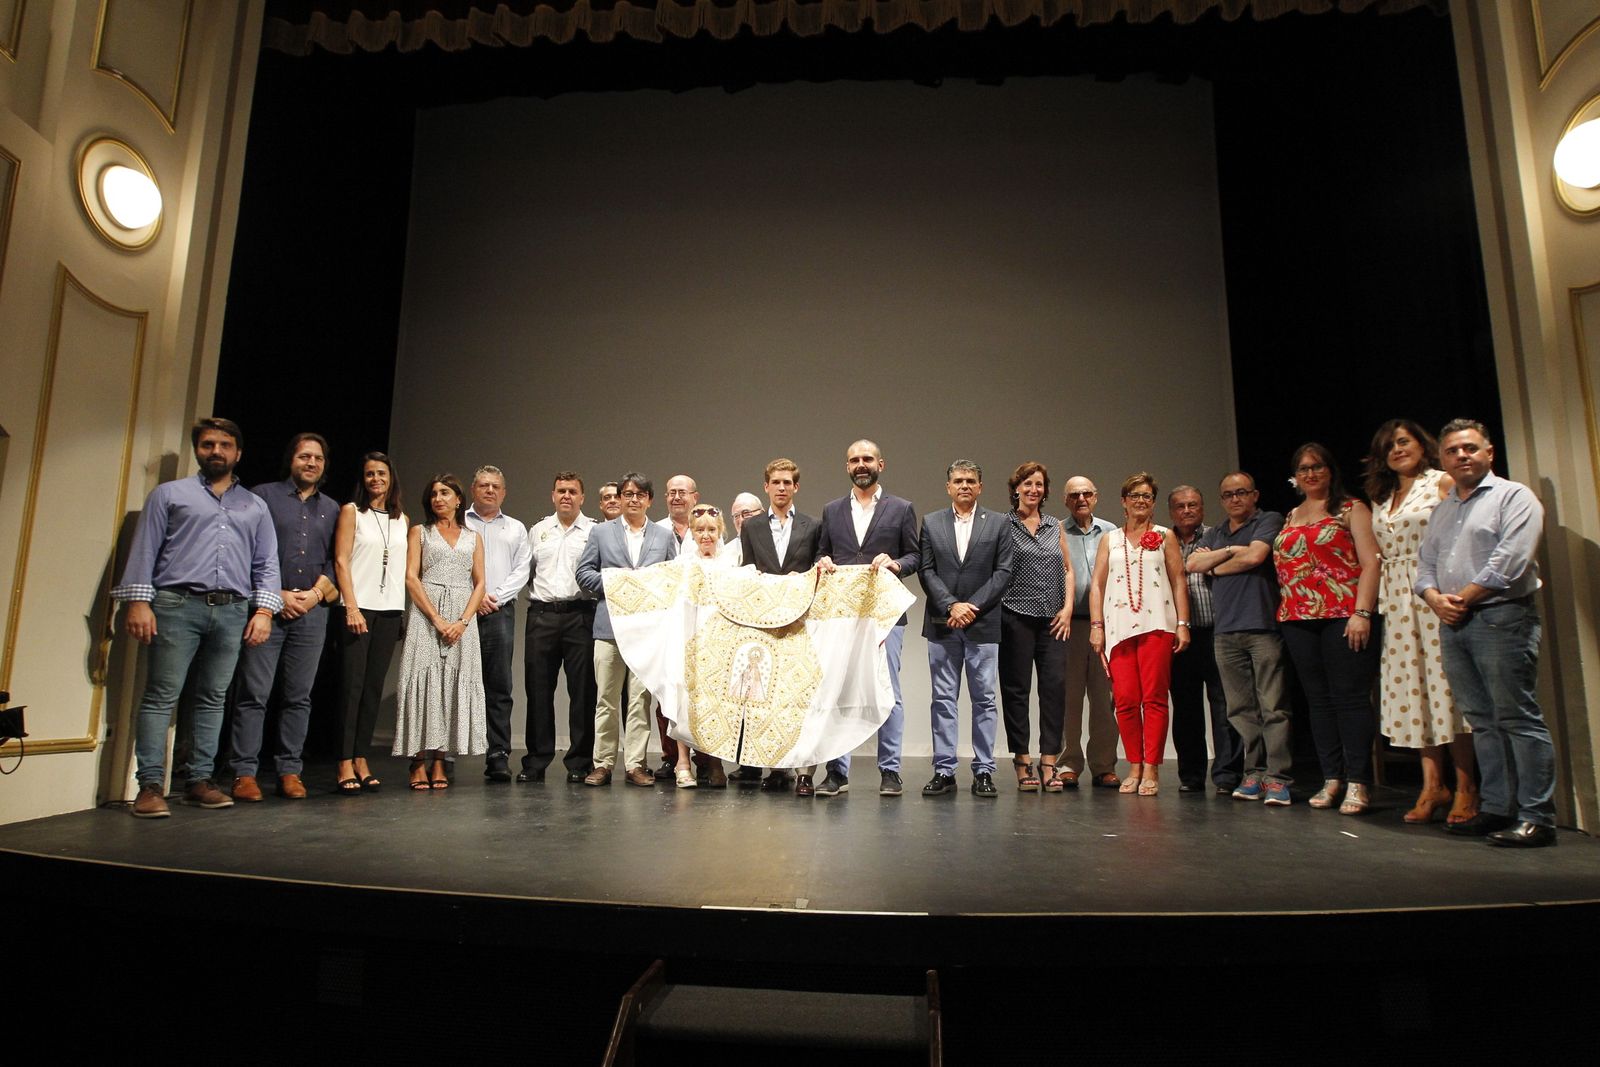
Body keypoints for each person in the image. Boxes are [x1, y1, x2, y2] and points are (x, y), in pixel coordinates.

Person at [112, 417, 281, 817]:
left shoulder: (254, 506)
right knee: (160, 696)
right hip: (176, 605)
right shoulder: (169, 495)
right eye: (208, 444)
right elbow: (146, 549)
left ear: (238, 453)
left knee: (212, 698)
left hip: (232, 609)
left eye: (225, 445)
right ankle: (150, 785)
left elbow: (266, 563)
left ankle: (199, 781)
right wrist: (138, 602)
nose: (217, 452)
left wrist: (264, 611)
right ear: (198, 450)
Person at [1417, 419, 1555, 848]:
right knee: (1481, 721)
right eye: (1453, 450)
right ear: (1442, 459)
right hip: (1454, 622)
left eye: (1471, 448)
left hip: (1501, 617)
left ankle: (1537, 816)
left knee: (1517, 717)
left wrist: (1462, 598)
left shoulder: (1514, 497)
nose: (1462, 455)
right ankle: (1496, 807)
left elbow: (1510, 560)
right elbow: (1424, 566)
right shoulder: (1443, 510)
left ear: (1489, 453)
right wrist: (1434, 598)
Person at [1364, 419, 1477, 824]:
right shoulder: (1383, 496)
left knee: (1446, 689)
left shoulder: (1441, 482)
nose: (1396, 450)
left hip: (1433, 592)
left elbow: (1463, 537)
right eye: (1388, 446)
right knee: (1415, 691)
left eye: (1403, 441)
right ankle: (1432, 785)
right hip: (1397, 600)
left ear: (1422, 445)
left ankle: (1466, 786)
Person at [228, 432, 338, 801]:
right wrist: (276, 596)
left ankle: (290, 770)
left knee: (299, 696)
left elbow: (336, 562)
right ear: (291, 459)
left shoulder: (334, 508)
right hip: (267, 609)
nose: (311, 463)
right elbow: (246, 551)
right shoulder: (262, 496)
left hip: (312, 613)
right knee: (254, 693)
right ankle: (244, 772)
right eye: (304, 456)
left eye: (318, 458)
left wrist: (312, 597)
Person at [1273, 445, 1381, 814]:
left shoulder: (1351, 509)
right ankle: (1332, 777)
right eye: (1303, 468)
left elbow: (1370, 563)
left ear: (1330, 470)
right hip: (1298, 618)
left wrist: (1362, 612)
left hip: (1343, 614)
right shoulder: (1292, 514)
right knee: (1318, 702)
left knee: (1349, 699)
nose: (1311, 474)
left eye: (1317, 466)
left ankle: (1358, 782)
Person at [815, 439, 920, 797]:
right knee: (840, 690)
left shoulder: (901, 508)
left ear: (881, 464)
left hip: (885, 616)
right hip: (841, 617)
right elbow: (822, 552)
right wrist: (823, 562)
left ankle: (890, 771)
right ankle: (836, 771)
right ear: (847, 466)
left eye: (867, 459)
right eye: (854, 460)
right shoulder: (831, 510)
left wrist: (896, 564)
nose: (861, 465)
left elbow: (914, 556)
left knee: (887, 691)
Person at [1185, 473, 1293, 806]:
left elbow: (1255, 557)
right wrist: (1230, 551)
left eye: (1241, 493)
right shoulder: (1217, 533)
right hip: (1225, 630)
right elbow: (1192, 562)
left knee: (1273, 706)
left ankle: (1278, 778)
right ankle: (1254, 772)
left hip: (1261, 626)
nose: (1235, 499)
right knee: (1240, 709)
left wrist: (1214, 565)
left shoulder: (1268, 520)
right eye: (1228, 494)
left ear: (1255, 495)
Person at [1088, 473, 1190, 797]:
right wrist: (1096, 626)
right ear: (1124, 501)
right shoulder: (1111, 539)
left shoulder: (1165, 536)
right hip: (1118, 627)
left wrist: (1183, 623)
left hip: (1157, 623)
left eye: (1147, 496)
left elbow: (1178, 581)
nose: (1141, 501)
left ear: (1153, 502)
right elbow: (1097, 585)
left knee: (1154, 698)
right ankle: (1133, 764)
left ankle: (1151, 767)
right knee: (1127, 700)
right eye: (1135, 495)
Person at [576, 472, 679, 787]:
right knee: (606, 699)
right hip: (609, 628)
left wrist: (648, 590)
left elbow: (672, 578)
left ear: (649, 500)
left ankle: (636, 764)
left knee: (639, 700)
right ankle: (603, 764)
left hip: (646, 632)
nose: (633, 499)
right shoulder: (601, 533)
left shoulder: (663, 537)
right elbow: (583, 573)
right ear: (618, 499)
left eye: (640, 494)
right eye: (627, 494)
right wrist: (616, 583)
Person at [919, 461, 1014, 798]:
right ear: (948, 487)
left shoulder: (1000, 523)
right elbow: (927, 571)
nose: (964, 486)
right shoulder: (931, 522)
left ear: (980, 486)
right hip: (942, 625)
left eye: (970, 481)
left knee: (985, 699)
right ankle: (944, 770)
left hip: (983, 623)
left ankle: (984, 771)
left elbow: (1003, 572)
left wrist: (970, 607)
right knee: (943, 699)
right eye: (958, 481)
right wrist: (951, 605)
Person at [394, 474, 487, 788]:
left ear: (458, 499)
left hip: (463, 616)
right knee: (424, 681)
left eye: (445, 493)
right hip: (427, 613)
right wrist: (436, 618)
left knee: (451, 687)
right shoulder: (420, 532)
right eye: (433, 494)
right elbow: (411, 577)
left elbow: (481, 583)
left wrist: (461, 621)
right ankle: (417, 761)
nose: (438, 499)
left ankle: (440, 761)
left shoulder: (473, 537)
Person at [739, 458, 822, 794]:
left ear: (796, 487)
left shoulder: (813, 525)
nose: (782, 488)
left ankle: (804, 773)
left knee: (802, 698)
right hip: (764, 622)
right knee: (767, 699)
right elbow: (746, 570)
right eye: (776, 482)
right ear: (766, 486)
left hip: (801, 623)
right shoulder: (752, 527)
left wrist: (800, 579)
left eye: (788, 482)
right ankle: (775, 768)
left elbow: (819, 569)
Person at [332, 452, 406, 795]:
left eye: (381, 473)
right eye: (369, 474)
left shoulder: (401, 519)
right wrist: (350, 606)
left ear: (391, 478)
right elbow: (341, 561)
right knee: (352, 688)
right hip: (358, 609)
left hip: (389, 611)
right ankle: (344, 759)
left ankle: (361, 757)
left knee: (373, 688)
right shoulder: (352, 512)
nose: (376, 479)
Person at [997, 462, 1073, 792]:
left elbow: (1068, 570)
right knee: (1016, 691)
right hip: (1014, 616)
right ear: (1016, 489)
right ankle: (1022, 761)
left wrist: (1068, 609)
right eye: (1027, 483)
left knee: (1054, 689)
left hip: (1053, 620)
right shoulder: (1003, 525)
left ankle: (1049, 762)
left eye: (1039, 484)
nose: (1033, 489)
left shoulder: (1055, 526)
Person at [522, 471, 599, 784]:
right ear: (553, 496)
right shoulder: (538, 530)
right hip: (542, 616)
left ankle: (579, 762)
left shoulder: (594, 531)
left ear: (582, 497)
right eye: (561, 491)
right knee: (538, 691)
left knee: (583, 693)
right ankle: (536, 762)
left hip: (580, 615)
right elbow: (524, 573)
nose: (566, 496)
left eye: (572, 491)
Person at [1167, 486, 1243, 794]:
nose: (1187, 510)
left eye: (1193, 505)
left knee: (1224, 706)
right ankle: (1191, 775)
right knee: (1185, 709)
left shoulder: (1217, 537)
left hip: (1216, 630)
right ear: (1172, 511)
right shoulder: (1163, 541)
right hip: (1180, 636)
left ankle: (1226, 776)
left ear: (1202, 507)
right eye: (1181, 506)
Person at [465, 465, 532, 783]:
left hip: (500, 611)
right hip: (460, 612)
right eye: (483, 485)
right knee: (455, 683)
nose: (489, 490)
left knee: (499, 686)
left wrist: (495, 597)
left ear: (503, 492)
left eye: (495, 486)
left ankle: (498, 755)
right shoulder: (458, 523)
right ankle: (447, 753)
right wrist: (473, 598)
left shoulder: (516, 529)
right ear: (473, 489)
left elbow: (522, 569)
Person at [1059, 476, 1120, 788]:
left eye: (1086, 494)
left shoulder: (1111, 533)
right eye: (1074, 495)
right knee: (1068, 698)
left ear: (1095, 497)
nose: (1080, 499)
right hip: (1069, 627)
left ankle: (1103, 765)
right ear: (1066, 500)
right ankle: (1068, 763)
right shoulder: (1056, 531)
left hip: (1104, 627)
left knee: (1103, 698)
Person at [668, 507, 733, 788]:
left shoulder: (730, 563)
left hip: (718, 643)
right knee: (683, 697)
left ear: (720, 532)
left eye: (711, 530)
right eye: (700, 530)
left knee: (715, 701)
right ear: (692, 533)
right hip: (687, 638)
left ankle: (714, 761)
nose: (706, 536)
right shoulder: (682, 564)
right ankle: (683, 762)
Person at [653, 474, 702, 778]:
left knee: (700, 692)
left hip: (698, 623)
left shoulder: (708, 528)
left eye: (682, 492)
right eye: (671, 493)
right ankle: (670, 756)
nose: (676, 498)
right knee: (665, 692)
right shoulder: (655, 532)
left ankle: (705, 759)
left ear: (695, 497)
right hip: (665, 621)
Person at [723, 492, 763, 566]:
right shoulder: (725, 552)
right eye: (736, 516)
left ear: (761, 513)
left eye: (746, 513)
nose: (741, 520)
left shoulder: (778, 542)